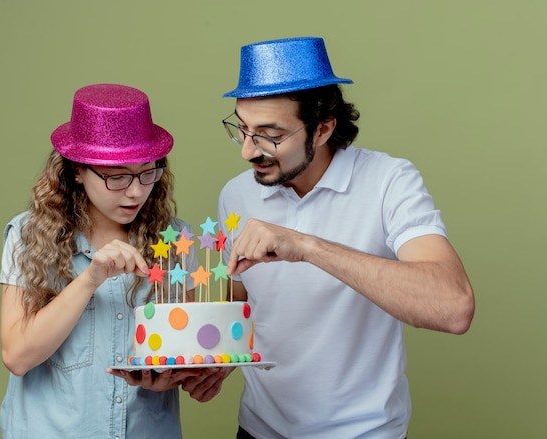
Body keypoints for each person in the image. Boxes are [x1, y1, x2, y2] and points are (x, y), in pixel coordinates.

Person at [196, 37, 475, 438]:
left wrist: (308, 246)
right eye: (241, 129)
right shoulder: (236, 195)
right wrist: (217, 355)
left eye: (269, 134)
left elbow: (453, 307)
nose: (247, 151)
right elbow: (244, 295)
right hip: (258, 428)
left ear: (324, 128)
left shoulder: (388, 182)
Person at [0, 83, 203, 438]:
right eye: (117, 176)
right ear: (77, 171)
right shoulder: (28, 235)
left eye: (148, 172)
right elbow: (17, 355)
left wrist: (167, 378)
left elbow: (184, 355)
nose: (136, 191)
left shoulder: (176, 239)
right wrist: (90, 279)